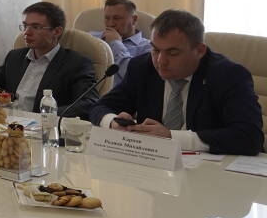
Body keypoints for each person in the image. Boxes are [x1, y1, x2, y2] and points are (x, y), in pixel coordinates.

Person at [90, 9, 263, 155]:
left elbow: (250, 137)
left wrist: (171, 137)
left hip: (212, 173)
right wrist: (113, 122)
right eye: (155, 50)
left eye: (172, 53)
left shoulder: (228, 75)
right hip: (152, 169)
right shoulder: (142, 67)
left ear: (200, 50)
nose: (160, 61)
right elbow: (100, 107)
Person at [0, 1, 95, 112]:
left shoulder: (77, 64)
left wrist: (48, 115)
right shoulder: (14, 57)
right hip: (7, 123)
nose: (26, 32)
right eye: (25, 26)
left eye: (36, 27)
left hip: (41, 126)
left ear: (57, 31)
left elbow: (88, 103)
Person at [89, 0, 151, 87]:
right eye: (107, 18)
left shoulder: (148, 47)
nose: (111, 24)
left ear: (134, 19)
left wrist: (116, 44)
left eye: (117, 18)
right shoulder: (91, 38)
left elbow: (136, 77)